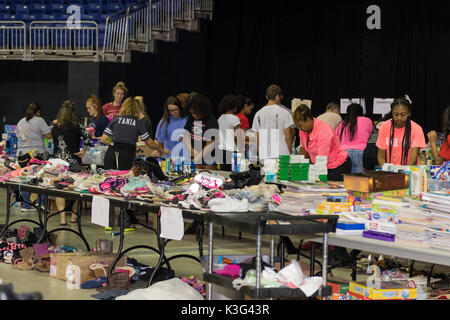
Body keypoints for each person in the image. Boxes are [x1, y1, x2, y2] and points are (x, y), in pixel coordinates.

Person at [100, 97, 169, 170]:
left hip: (111, 154)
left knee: (109, 179)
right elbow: (149, 142)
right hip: (126, 155)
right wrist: (161, 149)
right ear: (137, 109)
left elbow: (103, 139)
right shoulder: (137, 123)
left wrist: (113, 144)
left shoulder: (116, 120)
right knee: (124, 179)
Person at [52, 101, 92, 225]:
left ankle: (63, 219)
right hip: (74, 162)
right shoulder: (77, 126)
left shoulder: (56, 127)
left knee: (59, 189)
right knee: (76, 188)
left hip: (59, 163)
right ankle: (74, 218)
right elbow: (88, 136)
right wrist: (84, 150)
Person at [294, 104, 351, 181]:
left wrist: (314, 176)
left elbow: (322, 158)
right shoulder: (303, 131)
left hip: (338, 166)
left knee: (329, 191)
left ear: (308, 119)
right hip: (323, 166)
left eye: (300, 125)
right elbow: (304, 149)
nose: (299, 129)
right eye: (297, 126)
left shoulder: (324, 130)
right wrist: (297, 168)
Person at [16, 102, 52, 212]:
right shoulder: (39, 120)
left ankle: (26, 205)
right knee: (40, 178)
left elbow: (18, 136)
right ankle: (41, 204)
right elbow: (49, 135)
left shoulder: (20, 121)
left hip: (21, 155)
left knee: (25, 179)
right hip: (36, 155)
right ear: (38, 112)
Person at [376, 98, 426, 166]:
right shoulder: (384, 127)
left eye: (403, 114)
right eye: (396, 114)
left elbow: (413, 158)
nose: (399, 118)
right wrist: (386, 170)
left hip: (409, 170)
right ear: (392, 113)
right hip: (390, 172)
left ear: (409, 113)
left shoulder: (416, 129)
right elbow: (381, 156)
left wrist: (405, 172)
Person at [251, 84, 294, 164]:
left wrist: (260, 154)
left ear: (266, 97)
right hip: (281, 155)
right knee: (281, 177)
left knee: (266, 176)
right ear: (278, 96)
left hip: (265, 155)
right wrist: (289, 152)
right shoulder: (285, 113)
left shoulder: (258, 114)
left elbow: (257, 138)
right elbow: (288, 137)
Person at [336, 104, 373, 174]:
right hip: (361, 152)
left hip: (344, 153)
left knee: (346, 180)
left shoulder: (341, 124)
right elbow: (370, 135)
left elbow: (337, 140)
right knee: (360, 180)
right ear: (361, 112)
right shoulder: (367, 120)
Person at [183, 93, 219, 167]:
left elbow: (209, 145)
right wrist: (190, 149)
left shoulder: (211, 121)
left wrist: (197, 158)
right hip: (194, 156)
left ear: (202, 110)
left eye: (195, 113)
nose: (193, 115)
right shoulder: (191, 118)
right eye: (192, 113)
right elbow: (186, 133)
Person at [217, 94, 241, 171]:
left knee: (224, 175)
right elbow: (236, 136)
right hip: (232, 151)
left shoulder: (220, 118)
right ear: (234, 106)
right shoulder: (235, 119)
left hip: (221, 151)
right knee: (235, 174)